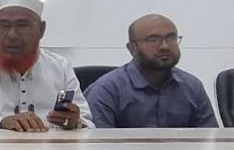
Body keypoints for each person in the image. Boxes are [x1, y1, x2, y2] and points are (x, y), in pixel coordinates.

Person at [0, 0, 93, 131]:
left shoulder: (61, 67)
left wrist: (76, 123)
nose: (12, 35)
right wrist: (1, 123)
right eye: (4, 25)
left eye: (22, 25)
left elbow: (89, 126)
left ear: (41, 29)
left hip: (50, 145)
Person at [85, 14, 217, 128]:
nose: (165, 46)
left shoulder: (192, 86)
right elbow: (96, 143)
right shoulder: (106, 90)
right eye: (153, 39)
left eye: (171, 38)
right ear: (132, 48)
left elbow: (209, 140)